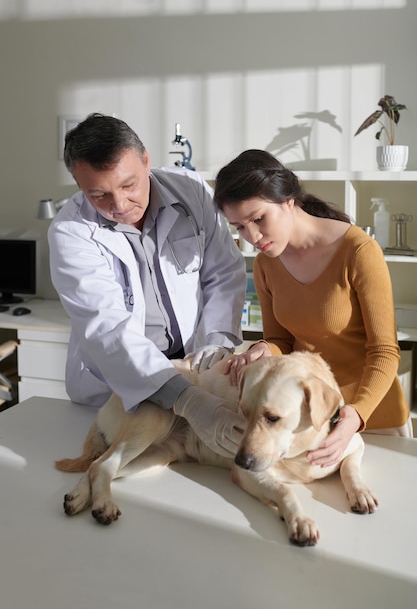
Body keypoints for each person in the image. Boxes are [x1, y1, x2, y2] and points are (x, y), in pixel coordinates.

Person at [48, 113, 247, 458]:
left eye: (129, 186)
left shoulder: (192, 192)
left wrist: (218, 343)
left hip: (194, 368)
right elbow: (108, 329)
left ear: (146, 161)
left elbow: (224, 272)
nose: (120, 206)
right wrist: (186, 400)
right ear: (81, 188)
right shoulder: (71, 233)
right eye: (99, 195)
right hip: (116, 389)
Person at [213, 148, 413, 467]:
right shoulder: (267, 264)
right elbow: (283, 342)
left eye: (258, 219)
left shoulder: (358, 251)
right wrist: (264, 348)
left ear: (288, 200)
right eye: (239, 227)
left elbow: (385, 352)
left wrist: (354, 417)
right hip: (311, 422)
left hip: (373, 419)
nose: (252, 237)